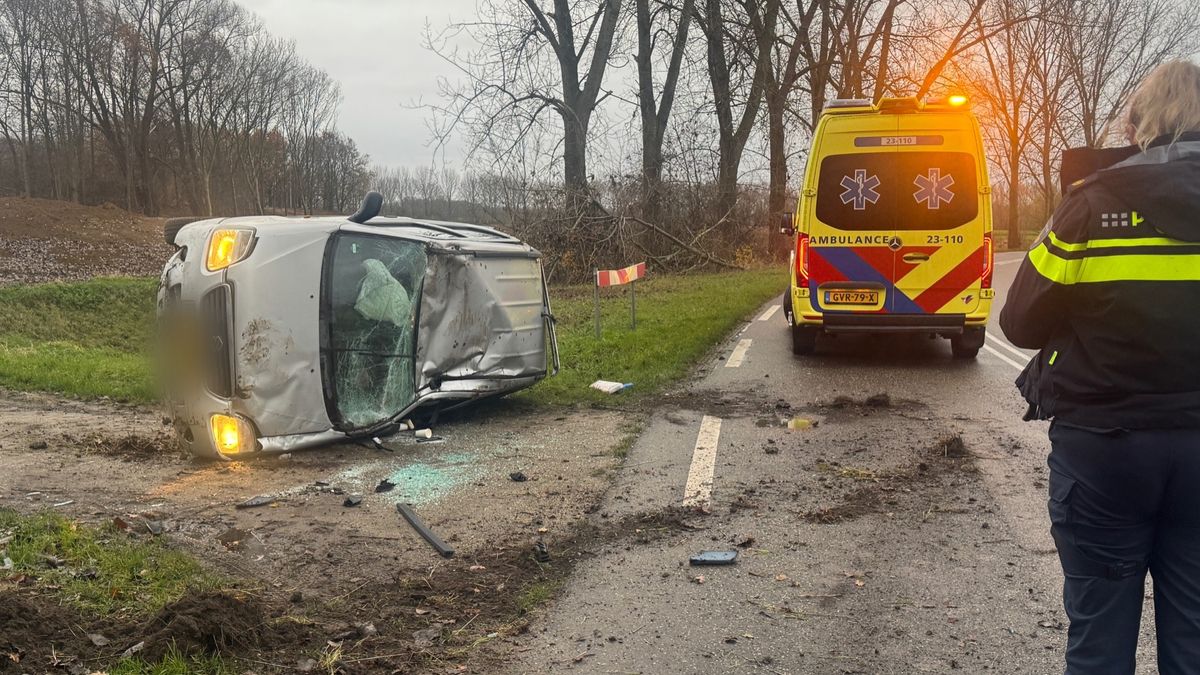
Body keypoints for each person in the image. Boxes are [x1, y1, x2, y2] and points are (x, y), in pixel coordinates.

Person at [1000, 59, 1200, 675]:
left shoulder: (1091, 207)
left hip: (1104, 451)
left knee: (1099, 638)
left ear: (1138, 124)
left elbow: (1019, 323)